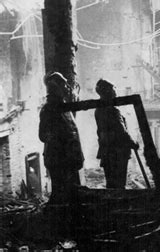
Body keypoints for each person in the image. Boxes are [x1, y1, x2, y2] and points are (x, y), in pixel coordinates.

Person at [39, 72, 84, 203]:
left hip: (70, 160)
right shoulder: (48, 110)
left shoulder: (65, 107)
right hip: (60, 162)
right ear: (55, 88)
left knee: (73, 195)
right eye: (64, 84)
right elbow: (43, 135)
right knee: (62, 196)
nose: (67, 87)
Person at [95, 79, 139, 189]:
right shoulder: (114, 110)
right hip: (118, 152)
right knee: (119, 184)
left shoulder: (98, 110)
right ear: (108, 92)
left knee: (110, 183)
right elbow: (121, 132)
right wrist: (133, 143)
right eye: (113, 90)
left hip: (106, 151)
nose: (116, 93)